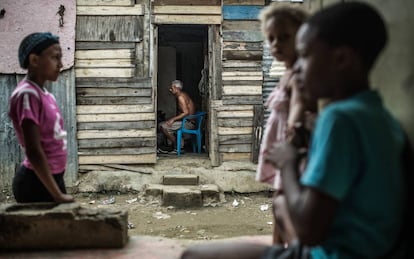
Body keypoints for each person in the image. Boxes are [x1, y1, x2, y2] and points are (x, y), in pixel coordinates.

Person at [181, 2, 407, 259]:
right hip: (368, 247)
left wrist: (288, 162)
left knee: (193, 255)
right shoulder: (379, 115)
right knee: (279, 203)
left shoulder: (339, 119)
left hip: (330, 253)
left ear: (342, 59)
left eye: (306, 56)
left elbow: (309, 230)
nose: (297, 68)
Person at [255, 3, 312, 245]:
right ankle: (277, 246)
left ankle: (288, 248)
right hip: (284, 148)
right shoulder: (287, 71)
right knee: (279, 199)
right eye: (271, 38)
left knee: (285, 200)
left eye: (284, 37)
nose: (276, 44)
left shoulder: (300, 73)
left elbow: (298, 105)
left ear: (303, 37)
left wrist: (290, 136)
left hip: (291, 148)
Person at [8, 32, 74, 203]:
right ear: (35, 60)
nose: (60, 64)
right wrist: (57, 195)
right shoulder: (27, 95)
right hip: (35, 183)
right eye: (55, 58)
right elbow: (34, 150)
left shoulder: (44, 94)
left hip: (50, 179)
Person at [158, 80, 196, 154]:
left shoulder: (181, 97)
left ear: (175, 87)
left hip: (189, 123)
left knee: (163, 127)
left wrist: (173, 119)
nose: (170, 90)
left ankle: (178, 146)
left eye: (171, 88)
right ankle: (175, 145)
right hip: (186, 121)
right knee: (161, 124)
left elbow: (186, 112)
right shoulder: (182, 95)